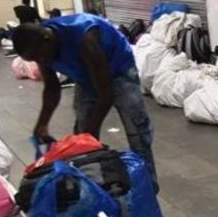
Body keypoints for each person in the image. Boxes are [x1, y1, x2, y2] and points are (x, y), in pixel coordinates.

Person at [13, 14, 158, 189]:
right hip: (85, 76)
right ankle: (92, 186)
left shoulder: (84, 39)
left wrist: (88, 135)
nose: (41, 61)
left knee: (137, 132)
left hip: (119, 71)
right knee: (82, 134)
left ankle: (148, 186)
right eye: (34, 59)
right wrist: (42, 124)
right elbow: (52, 88)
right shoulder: (42, 48)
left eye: (39, 56)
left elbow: (106, 94)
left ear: (48, 38)